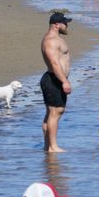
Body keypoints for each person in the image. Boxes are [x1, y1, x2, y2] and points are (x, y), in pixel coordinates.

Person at [40, 12, 72, 153]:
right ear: (57, 25)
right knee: (55, 111)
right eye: (65, 23)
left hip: (55, 79)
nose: (67, 26)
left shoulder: (56, 39)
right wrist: (64, 81)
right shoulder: (51, 40)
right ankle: (53, 147)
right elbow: (54, 63)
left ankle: (48, 146)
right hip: (53, 79)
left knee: (52, 113)